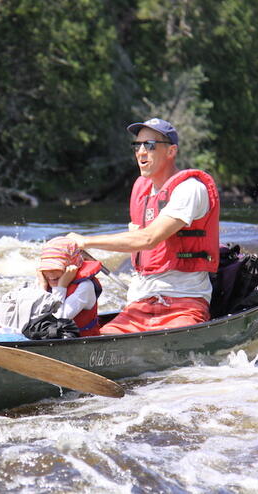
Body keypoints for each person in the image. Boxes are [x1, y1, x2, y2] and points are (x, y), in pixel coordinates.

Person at [67, 118, 220, 334]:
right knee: (100, 337)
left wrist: (87, 241)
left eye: (149, 145)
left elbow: (149, 239)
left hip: (183, 305)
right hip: (140, 304)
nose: (140, 152)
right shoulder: (143, 191)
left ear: (171, 151)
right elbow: (134, 242)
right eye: (136, 145)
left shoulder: (190, 190)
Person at [0, 236, 103, 337]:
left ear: (72, 266)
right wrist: (41, 285)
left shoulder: (85, 287)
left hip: (75, 339)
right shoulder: (48, 279)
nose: (50, 273)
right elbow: (33, 313)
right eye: (46, 268)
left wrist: (62, 286)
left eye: (56, 268)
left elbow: (55, 318)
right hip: (48, 335)